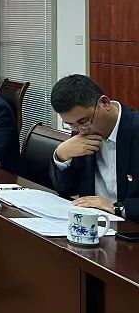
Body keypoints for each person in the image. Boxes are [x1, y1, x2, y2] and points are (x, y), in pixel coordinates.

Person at [49, 74, 139, 221]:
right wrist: (61, 155)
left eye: (84, 121)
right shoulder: (82, 131)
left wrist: (118, 208)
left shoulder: (135, 130)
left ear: (105, 103)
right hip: (91, 223)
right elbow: (66, 189)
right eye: (71, 125)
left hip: (129, 227)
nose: (81, 130)